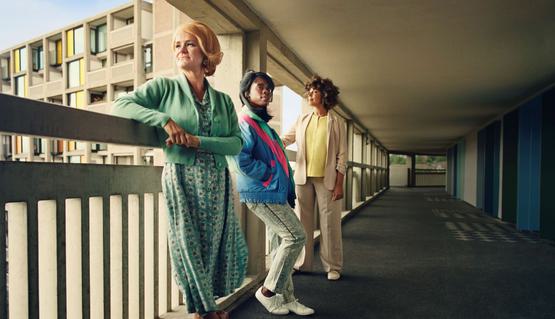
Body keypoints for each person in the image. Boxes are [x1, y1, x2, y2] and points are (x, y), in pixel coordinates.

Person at [112, 21, 247, 319]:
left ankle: (202, 309)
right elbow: (120, 104)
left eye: (189, 43)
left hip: (217, 180)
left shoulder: (223, 101)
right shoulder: (165, 86)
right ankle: (207, 311)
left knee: (212, 244)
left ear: (205, 53)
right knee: (186, 243)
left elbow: (236, 144)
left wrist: (199, 140)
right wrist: (163, 120)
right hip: (181, 176)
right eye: (176, 45)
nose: (181, 49)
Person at [234, 70, 314, 316]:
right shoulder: (245, 122)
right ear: (246, 92)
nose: (266, 90)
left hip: (273, 192)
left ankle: (287, 298)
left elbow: (277, 158)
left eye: (269, 87)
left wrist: (282, 185)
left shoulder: (262, 125)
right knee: (296, 236)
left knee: (281, 243)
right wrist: (269, 174)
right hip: (261, 193)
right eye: (260, 86)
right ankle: (268, 292)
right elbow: (241, 160)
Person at [281, 75, 346, 281]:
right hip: (303, 178)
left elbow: (342, 155)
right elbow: (285, 139)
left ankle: (333, 266)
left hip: (327, 180)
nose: (309, 94)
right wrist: (265, 142)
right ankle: (302, 264)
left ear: (325, 95)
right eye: (309, 91)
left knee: (330, 224)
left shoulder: (336, 122)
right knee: (302, 223)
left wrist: (339, 184)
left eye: (314, 91)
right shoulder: (302, 119)